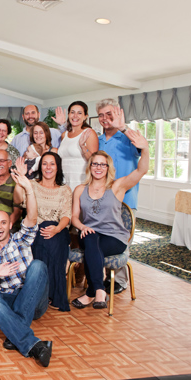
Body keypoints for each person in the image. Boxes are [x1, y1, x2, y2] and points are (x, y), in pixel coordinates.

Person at [0, 165, 53, 367]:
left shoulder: (21, 239)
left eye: (3, 222)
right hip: (10, 300)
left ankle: (16, 333)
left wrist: (28, 189)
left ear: (10, 224)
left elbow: (32, 217)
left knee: (38, 265)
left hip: (34, 300)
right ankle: (35, 345)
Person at [70, 130, 149, 310]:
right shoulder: (80, 189)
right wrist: (82, 226)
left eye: (103, 165)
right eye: (95, 164)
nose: (98, 168)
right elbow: (74, 217)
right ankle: (99, 291)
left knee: (92, 247)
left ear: (108, 168)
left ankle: (92, 292)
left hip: (115, 238)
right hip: (89, 233)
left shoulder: (117, 186)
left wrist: (145, 149)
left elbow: (141, 170)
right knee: (90, 239)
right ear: (89, 167)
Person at [15, 152, 71, 311]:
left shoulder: (65, 190)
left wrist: (57, 229)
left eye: (52, 164)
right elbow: (18, 200)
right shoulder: (31, 184)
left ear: (58, 167)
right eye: (45, 163)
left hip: (58, 230)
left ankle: (48, 293)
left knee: (53, 241)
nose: (48, 167)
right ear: (40, 166)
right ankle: (45, 294)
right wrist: (21, 179)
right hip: (35, 229)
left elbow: (67, 216)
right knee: (42, 240)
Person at [97, 98, 142, 294]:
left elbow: (142, 150)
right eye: (101, 115)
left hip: (125, 200)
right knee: (104, 239)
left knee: (121, 242)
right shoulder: (97, 140)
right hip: (102, 201)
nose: (105, 118)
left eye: (109, 114)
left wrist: (123, 128)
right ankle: (105, 278)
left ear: (117, 114)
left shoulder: (129, 137)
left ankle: (120, 281)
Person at [58, 101, 99, 191]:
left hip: (81, 182)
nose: (75, 116)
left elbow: (94, 161)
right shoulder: (64, 135)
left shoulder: (89, 133)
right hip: (64, 181)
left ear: (85, 116)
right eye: (72, 112)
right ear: (68, 115)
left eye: (79, 113)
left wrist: (83, 147)